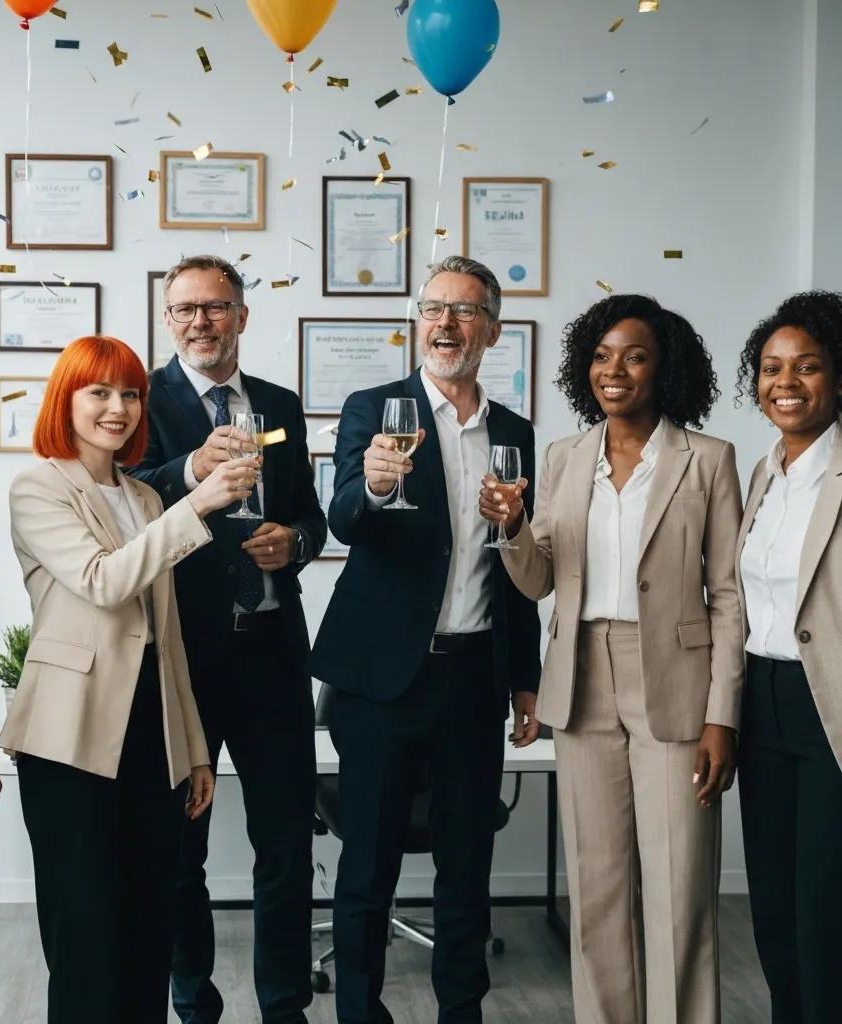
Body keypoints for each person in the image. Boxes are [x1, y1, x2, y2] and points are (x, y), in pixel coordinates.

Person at [483, 293, 743, 1024]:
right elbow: (538, 580)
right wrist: (510, 528)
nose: (614, 370)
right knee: (595, 886)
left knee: (678, 886)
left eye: (634, 355)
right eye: (601, 355)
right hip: (581, 678)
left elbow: (727, 598)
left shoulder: (708, 460)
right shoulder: (566, 457)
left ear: (665, 368)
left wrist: (723, 715)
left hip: (678, 685)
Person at [309, 255, 541, 1024]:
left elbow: (520, 560)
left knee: (466, 868)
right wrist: (374, 483)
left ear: (493, 331)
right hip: (380, 683)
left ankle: (460, 1013)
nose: (446, 325)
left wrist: (525, 681)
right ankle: (358, 1015)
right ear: (417, 323)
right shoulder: (372, 409)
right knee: (366, 868)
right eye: (434, 309)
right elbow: (342, 519)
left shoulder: (514, 432)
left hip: (474, 678)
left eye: (465, 311)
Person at [0, 335, 258, 1022]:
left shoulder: (144, 497)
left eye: (131, 394)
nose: (118, 408)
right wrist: (199, 505)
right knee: (85, 937)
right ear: (67, 399)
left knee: (150, 927)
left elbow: (165, 638)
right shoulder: (37, 486)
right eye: (100, 392)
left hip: (153, 736)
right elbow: (102, 581)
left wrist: (195, 749)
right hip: (72, 737)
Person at [128, 255, 327, 1024]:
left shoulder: (278, 403)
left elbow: (310, 513)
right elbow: (129, 496)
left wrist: (297, 544)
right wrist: (186, 469)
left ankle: (284, 1005)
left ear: (243, 316)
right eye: (185, 309)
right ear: (168, 319)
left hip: (274, 651)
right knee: (184, 852)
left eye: (215, 307)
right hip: (185, 657)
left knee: (284, 848)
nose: (200, 321)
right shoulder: (138, 398)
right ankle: (192, 999)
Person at [734, 291, 842, 1024]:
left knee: (824, 910)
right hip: (760, 702)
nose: (786, 383)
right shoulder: (763, 474)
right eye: (772, 369)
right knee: (770, 903)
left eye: (807, 367)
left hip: (828, 705)